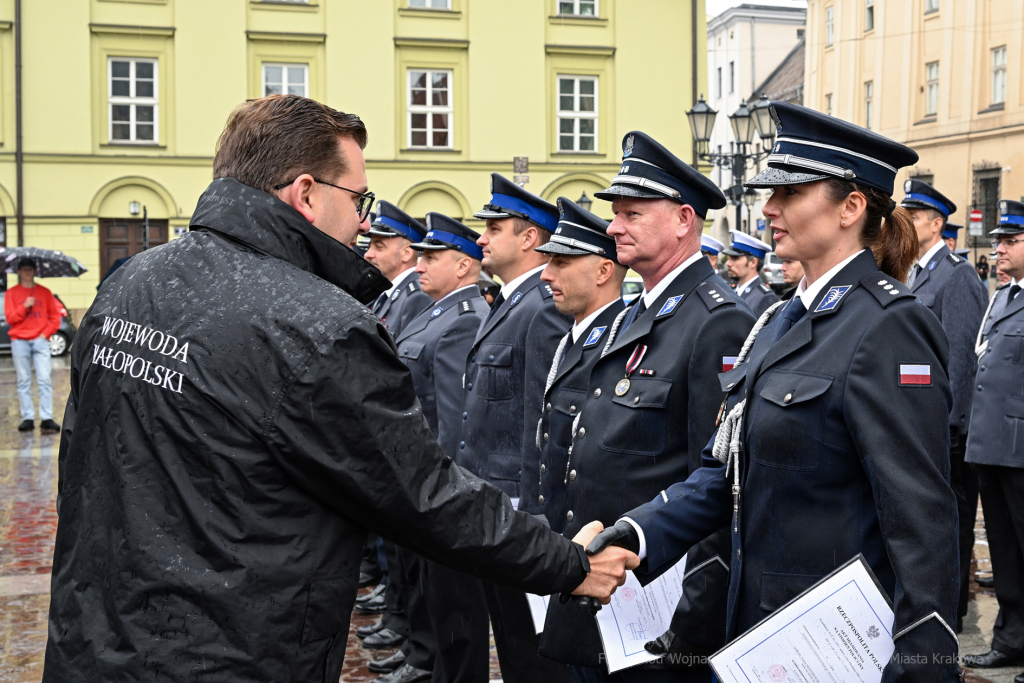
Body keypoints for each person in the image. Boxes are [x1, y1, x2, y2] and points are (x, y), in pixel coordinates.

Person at [42, 95, 638, 683]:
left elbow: (81, 462)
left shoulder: (132, 282)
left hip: (95, 638)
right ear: (305, 193)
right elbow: (422, 494)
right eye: (358, 198)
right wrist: (568, 563)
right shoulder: (316, 325)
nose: (362, 219)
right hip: (234, 650)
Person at [587, 101, 961, 682]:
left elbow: (920, 514)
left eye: (790, 194)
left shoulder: (889, 325)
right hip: (760, 634)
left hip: (833, 643)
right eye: (771, 194)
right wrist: (635, 533)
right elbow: (725, 471)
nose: (769, 208)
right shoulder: (779, 322)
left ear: (851, 208)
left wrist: (923, 658)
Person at [538, 131, 756, 683]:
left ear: (684, 220)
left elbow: (717, 485)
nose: (613, 227)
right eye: (615, 215)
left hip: (656, 616)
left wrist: (689, 631)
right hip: (601, 593)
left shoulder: (716, 321)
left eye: (632, 213)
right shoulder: (638, 314)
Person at [456, 172, 575, 683]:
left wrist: (532, 519)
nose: (481, 237)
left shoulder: (541, 309)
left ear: (530, 238)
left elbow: (541, 424)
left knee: (531, 656)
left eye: (495, 227)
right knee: (508, 641)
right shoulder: (509, 303)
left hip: (517, 514)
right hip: (492, 508)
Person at [372, 213, 492, 683]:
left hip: (434, 486)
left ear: (463, 266)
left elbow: (451, 421)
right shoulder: (435, 310)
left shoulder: (462, 322)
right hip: (413, 478)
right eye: (419, 255)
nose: (419, 264)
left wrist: (437, 495)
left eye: (431, 256)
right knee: (431, 595)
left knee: (454, 610)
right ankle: (430, 665)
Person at [900, 179, 987, 631]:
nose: (907, 222)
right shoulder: (913, 271)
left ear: (936, 225)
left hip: (945, 426)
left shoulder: (956, 274)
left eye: (915, 216)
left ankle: (947, 616)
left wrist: (952, 424)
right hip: (918, 422)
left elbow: (960, 357)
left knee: (950, 523)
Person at [534, 197, 627, 532]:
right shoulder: (572, 340)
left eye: (560, 263)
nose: (545, 275)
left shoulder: (620, 342)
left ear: (603, 271)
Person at [962, 199, 1024, 679]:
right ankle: (1011, 640)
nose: (998, 248)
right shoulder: (1002, 295)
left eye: (1011, 240)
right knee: (1004, 551)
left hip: (1020, 448)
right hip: (992, 444)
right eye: (999, 239)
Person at [5, 257, 62, 433]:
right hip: (19, 340)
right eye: (23, 269)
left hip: (40, 340)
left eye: (30, 269)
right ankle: (27, 417)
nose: (27, 272)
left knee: (44, 379)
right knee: (23, 380)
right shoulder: (12, 293)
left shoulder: (45, 292)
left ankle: (47, 418)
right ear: (19, 272)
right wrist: (24, 306)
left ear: (35, 271)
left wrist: (44, 334)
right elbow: (10, 319)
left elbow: (55, 318)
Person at [365, 201, 435, 335]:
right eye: (369, 247)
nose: (368, 254)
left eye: (379, 247)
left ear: (406, 253)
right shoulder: (386, 292)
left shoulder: (417, 297)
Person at [723, 230, 779, 316]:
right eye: (729, 258)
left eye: (735, 258)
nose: (728, 263)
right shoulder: (731, 291)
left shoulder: (766, 298)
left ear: (753, 263)